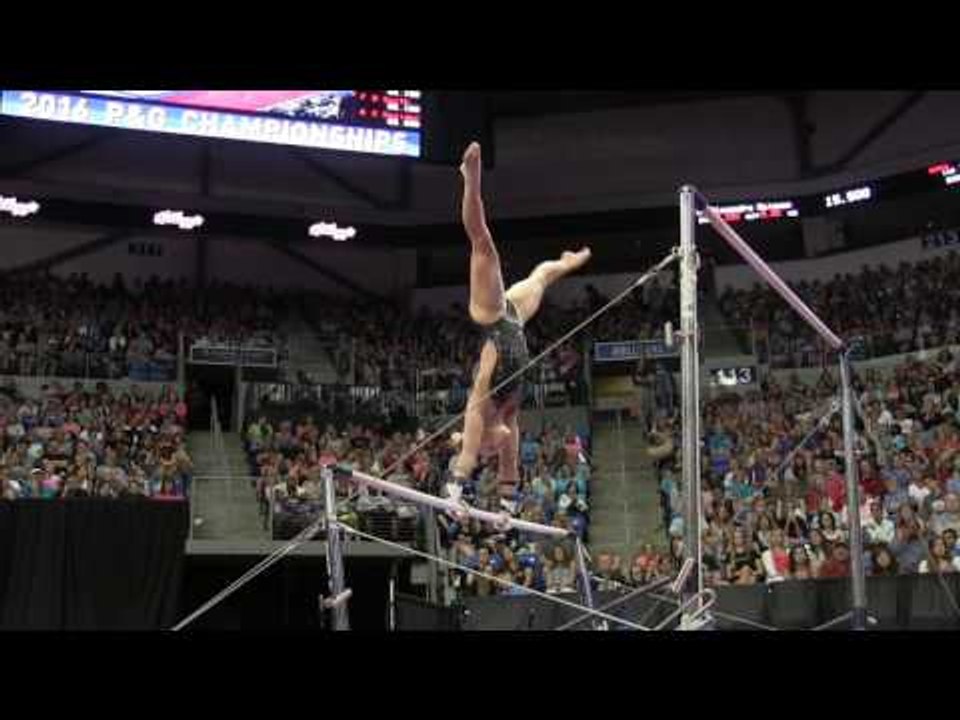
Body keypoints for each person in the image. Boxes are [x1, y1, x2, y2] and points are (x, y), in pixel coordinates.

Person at [450, 142, 591, 497]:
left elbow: (468, 453)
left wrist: (458, 481)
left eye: (487, 450)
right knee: (542, 277)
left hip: (491, 315)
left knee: (483, 245)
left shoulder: (480, 406)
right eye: (491, 453)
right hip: (514, 320)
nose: (495, 449)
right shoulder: (510, 410)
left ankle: (471, 179)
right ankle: (566, 261)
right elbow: (511, 463)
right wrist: (509, 497)